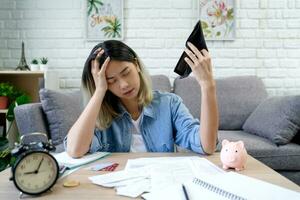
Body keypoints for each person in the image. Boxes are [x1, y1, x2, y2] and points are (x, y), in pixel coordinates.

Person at [65, 40, 219, 158]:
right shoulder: (98, 114)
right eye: (111, 80)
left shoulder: (169, 104)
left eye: (126, 72)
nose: (124, 85)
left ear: (136, 65)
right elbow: (74, 150)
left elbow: (207, 146)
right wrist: (99, 91)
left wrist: (208, 86)